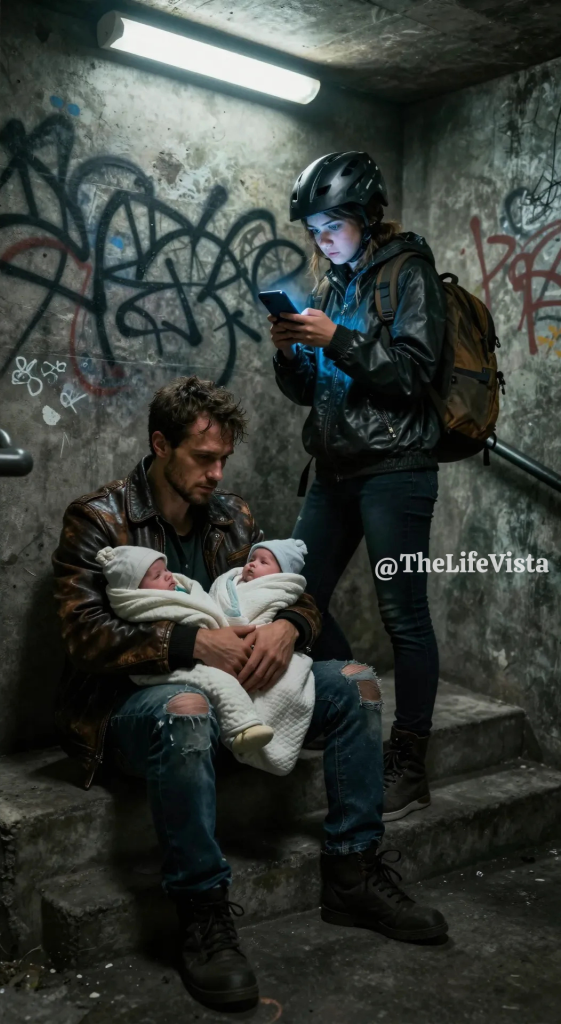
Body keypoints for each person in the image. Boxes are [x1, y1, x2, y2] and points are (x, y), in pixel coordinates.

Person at [52, 375, 448, 1011]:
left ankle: (353, 871)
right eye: (203, 457)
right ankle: (202, 911)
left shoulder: (230, 515)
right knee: (187, 710)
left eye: (224, 459)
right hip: (133, 707)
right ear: (161, 444)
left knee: (357, 683)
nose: (216, 473)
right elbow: (84, 636)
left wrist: (289, 629)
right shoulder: (98, 518)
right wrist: (192, 644)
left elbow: (297, 593)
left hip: (245, 695)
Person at [271, 151, 447, 823]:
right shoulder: (332, 287)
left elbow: (413, 376)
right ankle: (349, 704)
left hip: (396, 471)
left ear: (368, 217)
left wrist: (338, 338)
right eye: (313, 230)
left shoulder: (410, 273)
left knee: (404, 617)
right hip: (335, 469)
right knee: (297, 597)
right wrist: (291, 352)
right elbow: (312, 390)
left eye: (332, 226)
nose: (322, 241)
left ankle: (409, 764)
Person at [95, 537, 316, 774]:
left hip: (242, 646)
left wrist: (290, 625)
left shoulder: (235, 523)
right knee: (198, 701)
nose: (169, 576)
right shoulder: (141, 596)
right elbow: (92, 632)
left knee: (340, 680)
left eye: (166, 570)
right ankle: (242, 727)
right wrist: (195, 642)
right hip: (149, 676)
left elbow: (290, 587)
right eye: (158, 575)